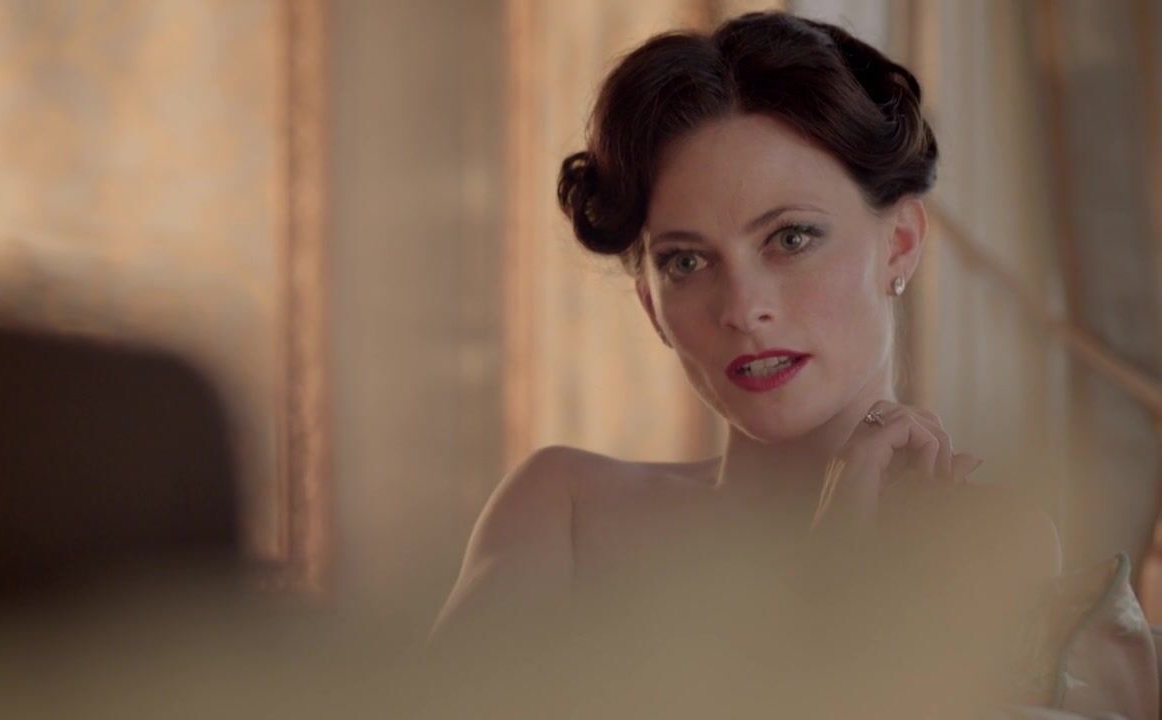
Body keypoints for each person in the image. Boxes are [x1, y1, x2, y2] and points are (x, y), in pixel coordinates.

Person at [430, 11, 1157, 719]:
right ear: (651, 303)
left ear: (901, 243)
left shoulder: (979, 543)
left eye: (791, 239)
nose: (743, 308)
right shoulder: (566, 509)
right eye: (686, 262)